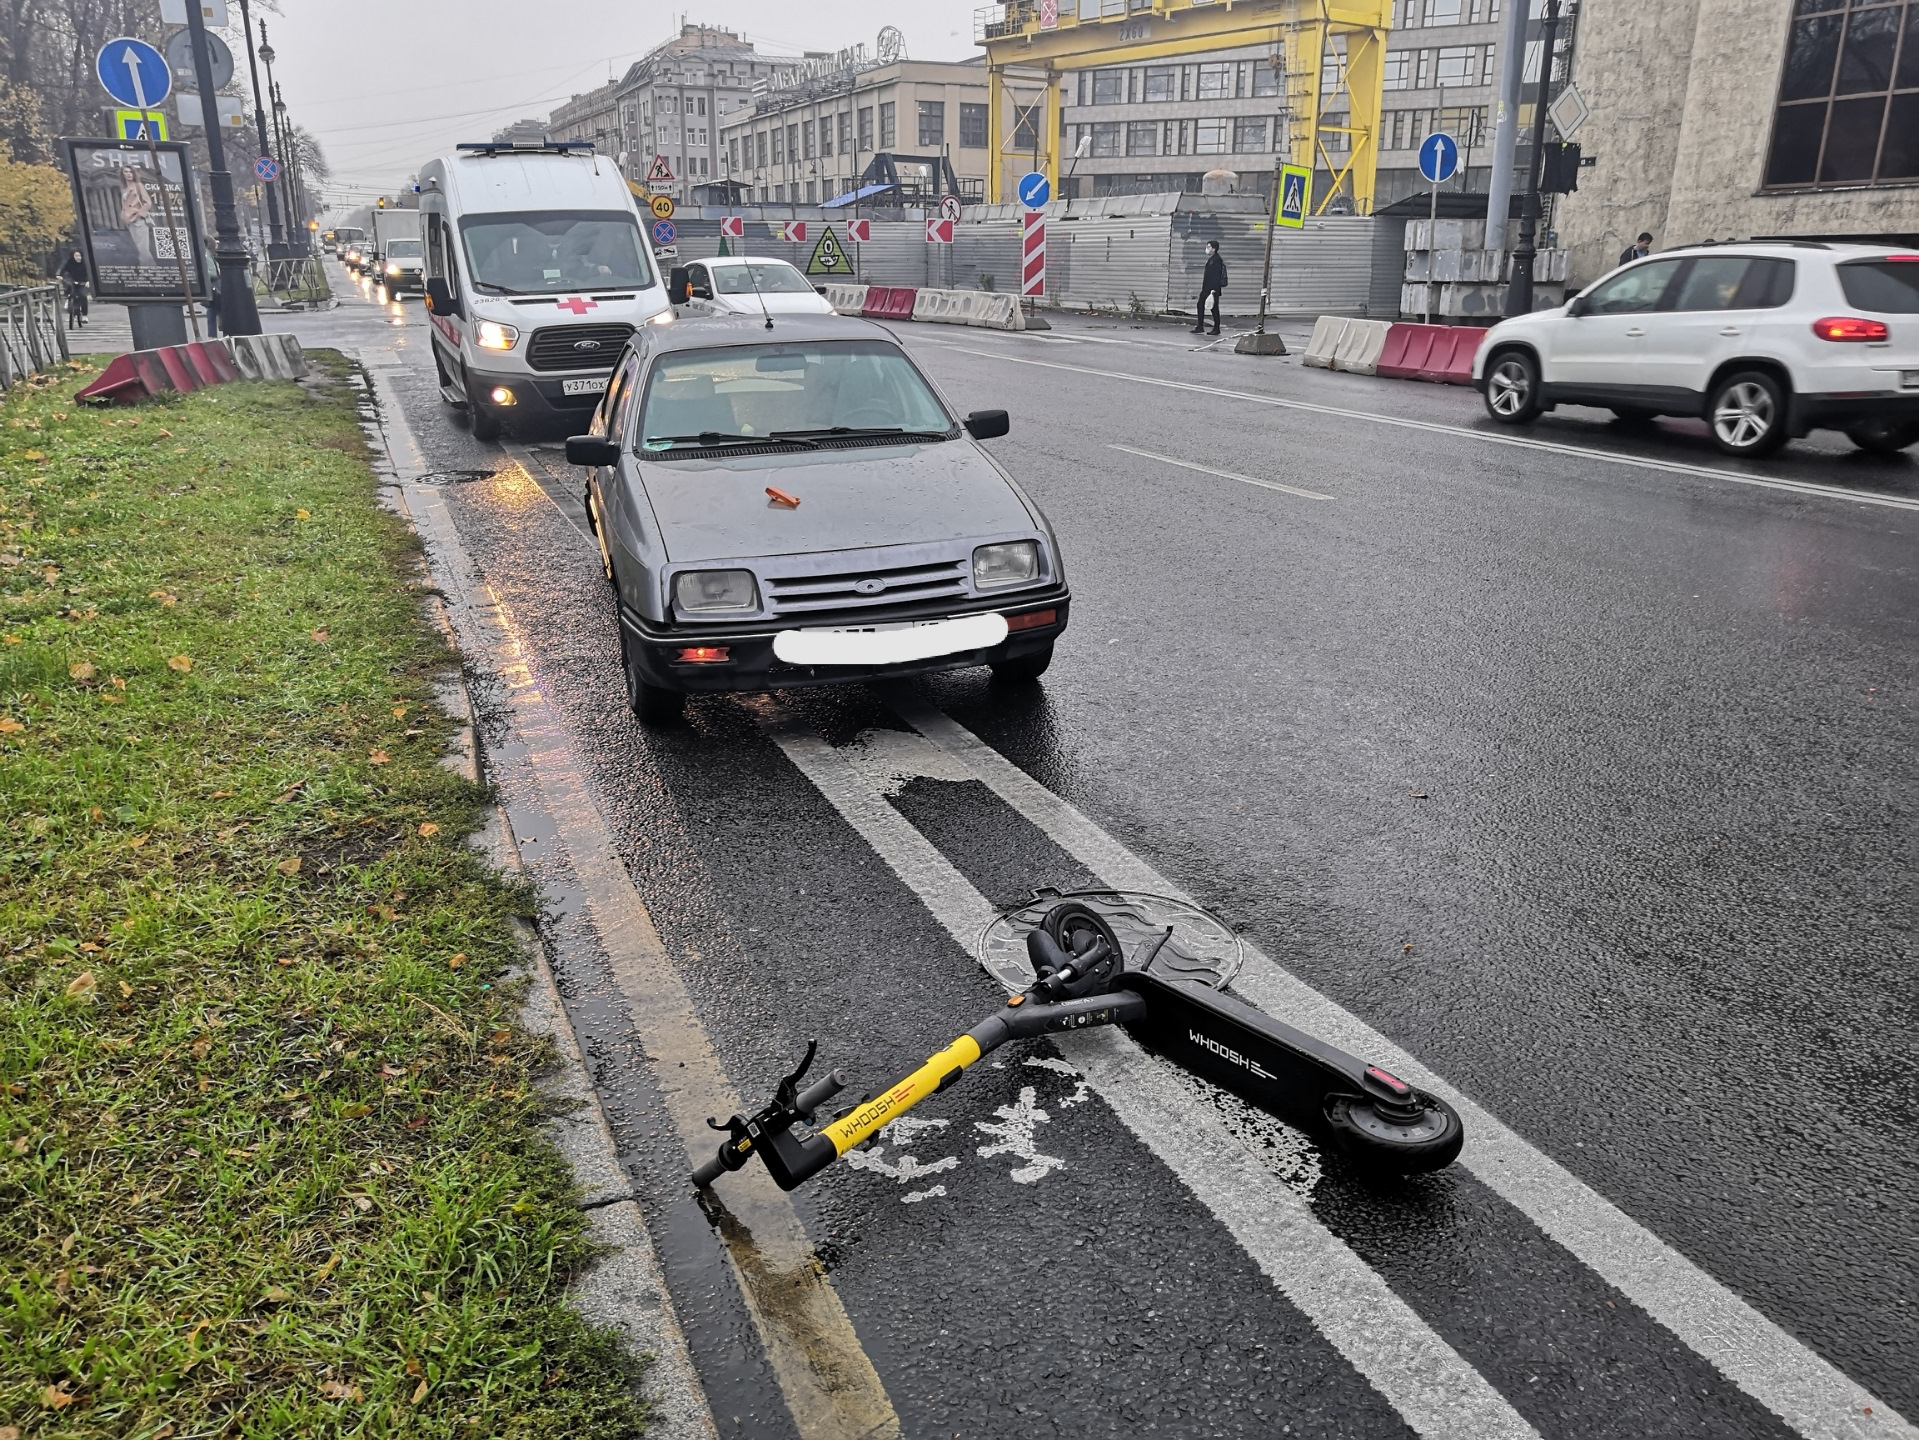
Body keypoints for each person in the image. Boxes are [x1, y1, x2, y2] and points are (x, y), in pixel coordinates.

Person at [1193, 240, 1226, 335]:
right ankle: (1200, 326)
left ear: (1214, 249)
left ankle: (1216, 328)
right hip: (1206, 288)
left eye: (1209, 247)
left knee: (1214, 308)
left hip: (1212, 289)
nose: (1207, 249)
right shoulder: (1211, 259)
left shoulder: (1216, 260)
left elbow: (1216, 276)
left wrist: (1214, 289)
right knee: (1200, 305)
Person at [60, 249, 89, 328]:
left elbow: (91, 273)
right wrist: (59, 275)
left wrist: (88, 281)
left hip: (83, 283)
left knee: (83, 296)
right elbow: (62, 270)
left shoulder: (85, 263)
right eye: (76, 256)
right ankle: (70, 306)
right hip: (73, 282)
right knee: (70, 292)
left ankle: (84, 315)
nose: (78, 257)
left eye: (79, 255)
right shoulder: (70, 262)